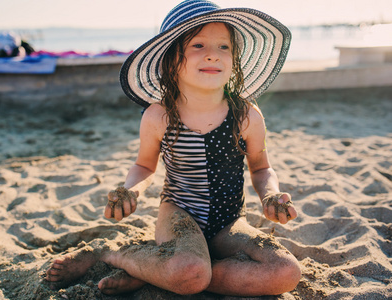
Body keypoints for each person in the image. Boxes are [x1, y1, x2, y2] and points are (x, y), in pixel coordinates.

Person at [45, 0, 301, 296]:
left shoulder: (246, 114)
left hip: (229, 221)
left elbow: (261, 166)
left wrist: (270, 194)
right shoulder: (159, 115)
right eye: (197, 45)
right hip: (179, 215)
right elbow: (144, 166)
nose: (212, 55)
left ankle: (159, 272)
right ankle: (109, 254)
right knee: (191, 269)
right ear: (170, 60)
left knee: (286, 271)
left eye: (223, 47)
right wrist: (130, 191)